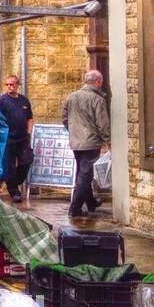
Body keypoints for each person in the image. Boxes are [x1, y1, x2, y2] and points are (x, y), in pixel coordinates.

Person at [62, 69, 110, 219]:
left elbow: (64, 118)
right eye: (101, 81)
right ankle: (74, 208)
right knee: (85, 175)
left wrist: (74, 132)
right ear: (97, 82)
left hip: (76, 143)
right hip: (91, 143)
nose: (101, 84)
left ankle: (90, 203)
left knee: (83, 173)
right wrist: (108, 140)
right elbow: (102, 123)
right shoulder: (97, 99)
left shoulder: (71, 97)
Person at [0, 74, 34, 201]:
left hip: (23, 137)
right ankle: (14, 192)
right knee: (10, 165)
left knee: (26, 161)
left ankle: (14, 182)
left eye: (12, 84)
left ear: (17, 85)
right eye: (7, 84)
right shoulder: (1, 101)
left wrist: (29, 131)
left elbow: (30, 117)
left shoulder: (24, 100)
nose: (9, 87)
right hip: (8, 138)